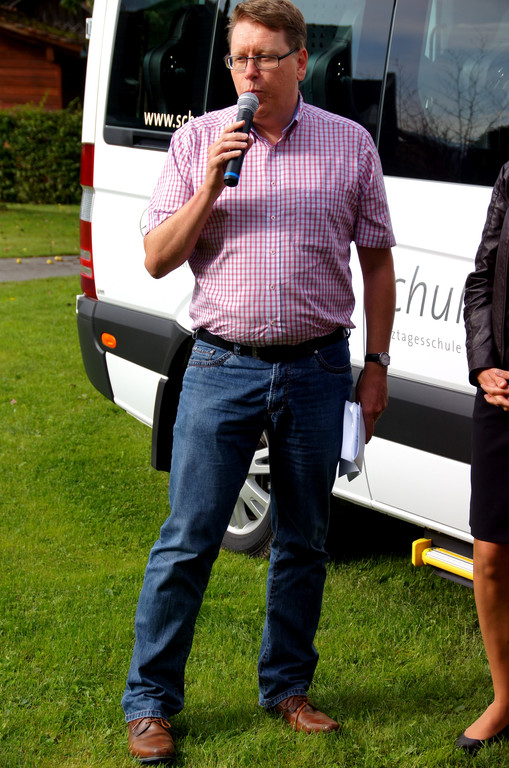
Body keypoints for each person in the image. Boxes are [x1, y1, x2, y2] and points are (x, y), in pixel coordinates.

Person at [122, 0, 396, 762]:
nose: (250, 71)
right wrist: (212, 184)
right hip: (221, 366)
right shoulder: (197, 141)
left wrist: (375, 366)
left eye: (266, 57)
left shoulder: (349, 144)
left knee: (303, 540)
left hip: (317, 369)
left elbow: (377, 264)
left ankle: (287, 688)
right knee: (188, 540)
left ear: (301, 61)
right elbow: (156, 258)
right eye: (239, 57)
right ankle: (150, 703)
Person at [460, 162, 509, 753]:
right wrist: (484, 364)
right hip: (502, 394)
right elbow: (482, 278)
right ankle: (504, 698)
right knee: (492, 554)